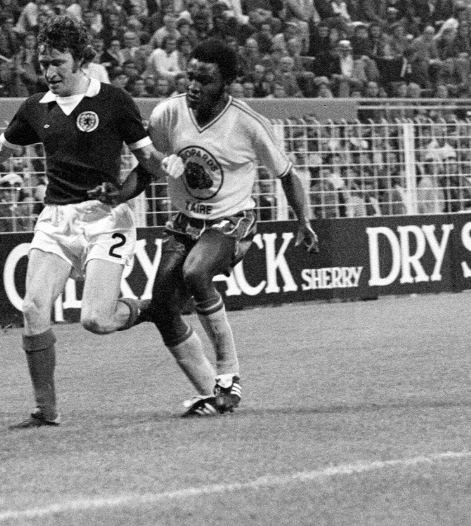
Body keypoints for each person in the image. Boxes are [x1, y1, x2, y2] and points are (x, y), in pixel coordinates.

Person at [0, 16, 158, 428]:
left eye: (58, 62)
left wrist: (127, 190)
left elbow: (146, 163)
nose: (49, 71)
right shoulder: (35, 107)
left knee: (96, 320)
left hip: (106, 220)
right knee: (32, 307)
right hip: (57, 220)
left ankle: (150, 308)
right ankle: (46, 410)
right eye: (44, 62)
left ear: (81, 60)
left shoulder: (114, 101)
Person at [100, 39, 319, 416]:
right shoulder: (169, 114)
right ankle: (199, 381)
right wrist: (118, 195)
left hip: (232, 220)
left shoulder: (248, 123)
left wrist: (304, 221)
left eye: (205, 79)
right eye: (191, 76)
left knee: (196, 270)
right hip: (184, 223)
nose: (194, 85)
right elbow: (147, 169)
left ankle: (228, 376)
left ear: (227, 82)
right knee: (167, 311)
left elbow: (286, 174)